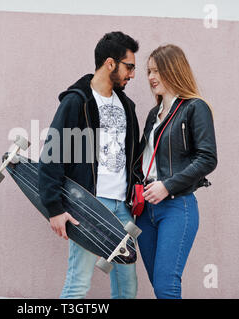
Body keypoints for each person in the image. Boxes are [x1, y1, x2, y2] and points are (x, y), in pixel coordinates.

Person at [38, 31, 141, 299]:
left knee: (127, 288)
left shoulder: (127, 106)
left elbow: (135, 158)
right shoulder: (77, 102)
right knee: (79, 284)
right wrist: (54, 209)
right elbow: (52, 155)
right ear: (110, 63)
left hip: (122, 208)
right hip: (89, 206)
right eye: (129, 67)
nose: (132, 75)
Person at [134, 44, 217, 299]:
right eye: (149, 71)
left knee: (166, 286)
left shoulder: (194, 108)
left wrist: (167, 185)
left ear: (174, 70)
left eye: (157, 71)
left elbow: (207, 158)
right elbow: (143, 160)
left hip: (176, 206)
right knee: (159, 285)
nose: (150, 77)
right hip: (146, 210)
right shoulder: (153, 114)